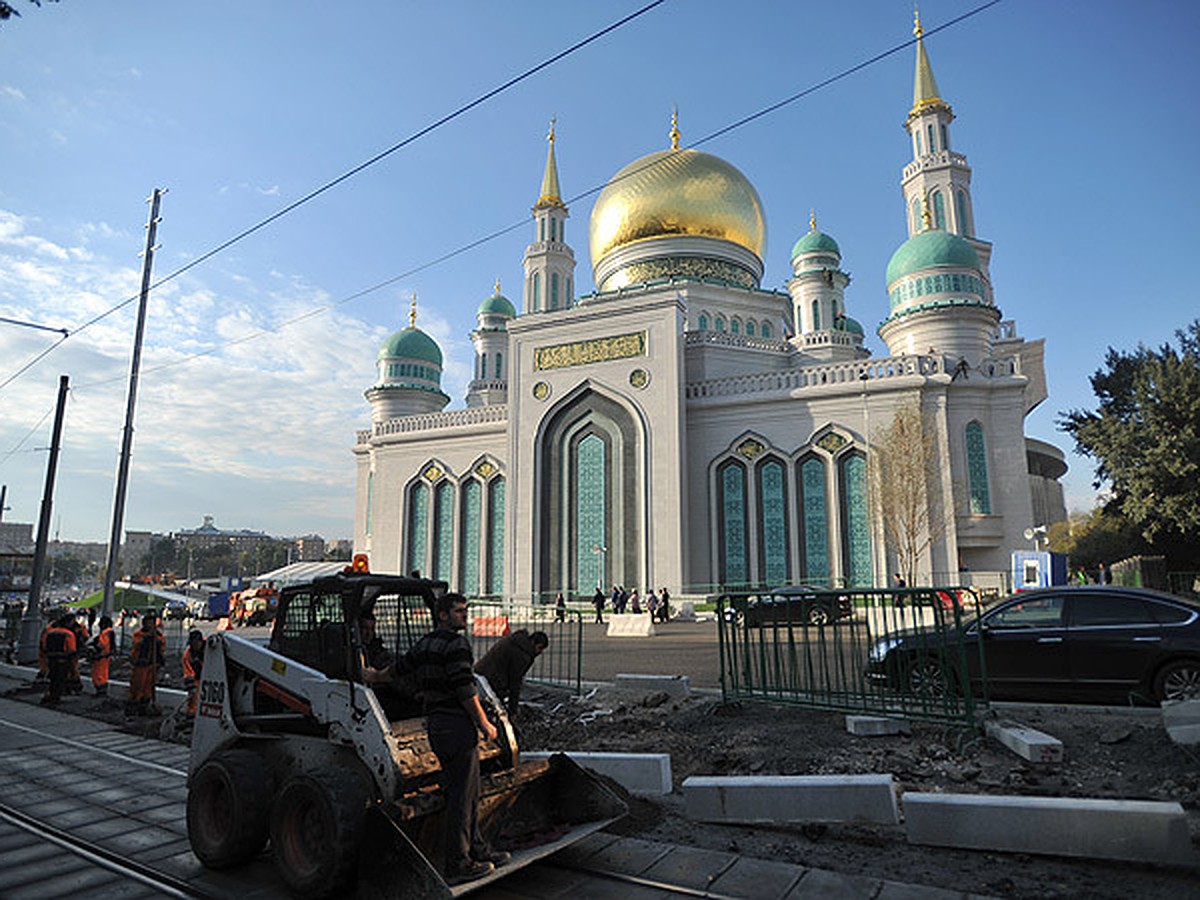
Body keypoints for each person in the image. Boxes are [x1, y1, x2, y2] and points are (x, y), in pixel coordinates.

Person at [409, 593, 509, 884]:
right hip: (457, 726)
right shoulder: (457, 644)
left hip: (437, 726)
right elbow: (465, 689)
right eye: (458, 612)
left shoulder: (425, 643)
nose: (464, 616)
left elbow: (400, 669)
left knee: (467, 792)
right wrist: (485, 723)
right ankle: (458, 864)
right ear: (442, 615)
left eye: (465, 611)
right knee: (462, 798)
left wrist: (373, 675)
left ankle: (478, 849)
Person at [474, 629, 548, 717]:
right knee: (496, 713)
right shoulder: (523, 655)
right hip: (487, 680)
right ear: (533, 643)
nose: (540, 652)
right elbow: (515, 682)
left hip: (480, 673)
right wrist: (513, 711)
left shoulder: (516, 641)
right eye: (539, 648)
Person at [127, 613, 166, 716]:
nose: (150, 626)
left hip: (152, 665)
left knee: (149, 685)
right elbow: (137, 644)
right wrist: (148, 638)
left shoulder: (158, 636)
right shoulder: (139, 634)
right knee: (138, 684)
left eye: (152, 623)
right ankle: (134, 704)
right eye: (148, 623)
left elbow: (162, 646)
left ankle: (145, 705)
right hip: (141, 664)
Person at [39, 614, 77, 706]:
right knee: (60, 680)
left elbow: (44, 646)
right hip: (63, 661)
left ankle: (51, 696)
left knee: (53, 678)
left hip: (51, 660)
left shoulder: (50, 632)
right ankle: (55, 698)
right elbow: (71, 650)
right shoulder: (69, 634)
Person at [90, 616, 115, 697]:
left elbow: (102, 645)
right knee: (103, 673)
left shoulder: (106, 632)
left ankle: (101, 691)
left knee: (99, 674)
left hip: (101, 657)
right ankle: (101, 691)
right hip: (104, 656)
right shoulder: (109, 632)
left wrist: (94, 648)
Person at [182, 629, 206, 714]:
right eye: (193, 644)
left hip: (211, 675)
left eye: (196, 643)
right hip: (198, 677)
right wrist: (191, 687)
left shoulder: (210, 648)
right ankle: (192, 713)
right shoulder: (188, 655)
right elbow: (188, 672)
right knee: (194, 697)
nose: (194, 646)